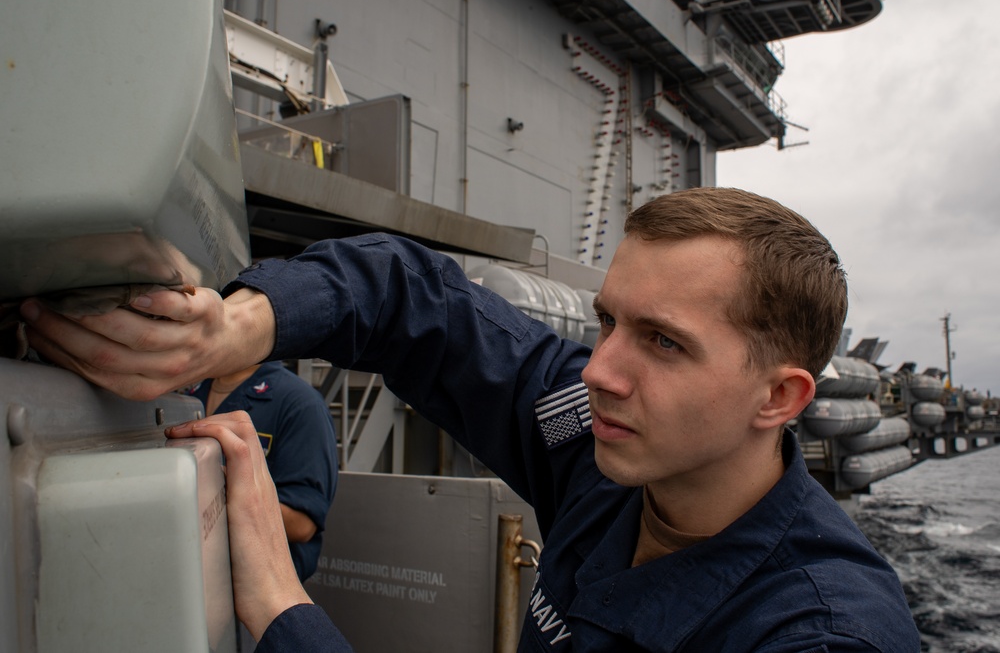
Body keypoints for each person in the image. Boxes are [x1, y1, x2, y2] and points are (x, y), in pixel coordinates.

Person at [21, 188, 921, 652]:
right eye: (608, 322)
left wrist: (281, 608)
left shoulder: (819, 635)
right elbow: (427, 306)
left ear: (782, 398)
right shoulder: (606, 442)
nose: (601, 371)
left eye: (664, 342)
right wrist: (234, 323)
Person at [185, 361, 338, 583]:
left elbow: (302, 524)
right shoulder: (192, 394)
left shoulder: (299, 403)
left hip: (260, 587)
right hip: (194, 578)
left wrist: (212, 494)